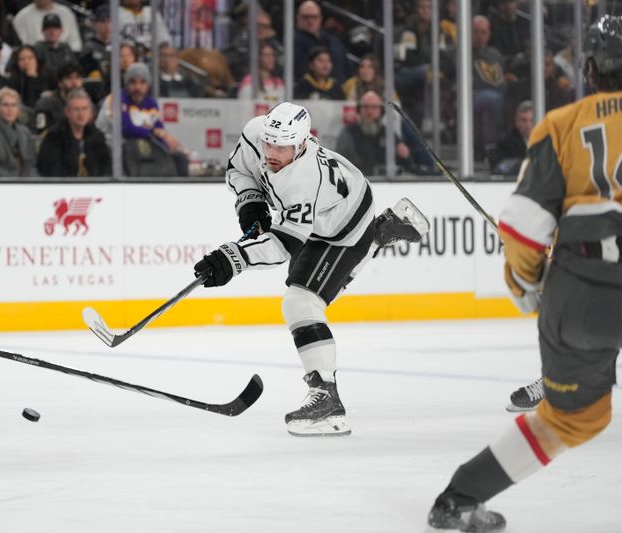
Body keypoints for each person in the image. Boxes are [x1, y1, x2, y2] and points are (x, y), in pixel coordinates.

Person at [426, 16, 622, 532]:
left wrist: (527, 285)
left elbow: (525, 226)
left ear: (588, 68)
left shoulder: (561, 124)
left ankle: (459, 498)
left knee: (572, 418)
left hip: (583, 291)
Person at [194, 102, 428, 437]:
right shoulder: (255, 133)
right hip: (325, 213)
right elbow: (238, 169)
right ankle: (384, 232)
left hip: (344, 223)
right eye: (269, 143)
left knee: (302, 303)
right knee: (303, 297)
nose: (272, 152)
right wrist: (250, 201)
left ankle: (327, 396)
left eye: (283, 147)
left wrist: (233, 259)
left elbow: (284, 244)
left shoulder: (303, 180)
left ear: (302, 144)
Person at [334, 91, 412, 175]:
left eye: (374, 107)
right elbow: (340, 164)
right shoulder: (348, 133)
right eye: (366, 107)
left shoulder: (389, 133)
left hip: (386, 184)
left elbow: (407, 166)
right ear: (359, 110)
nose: (369, 111)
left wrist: (405, 156)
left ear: (381, 111)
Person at [37, 89, 110, 177]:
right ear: (67, 112)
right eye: (76, 109)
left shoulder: (97, 137)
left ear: (91, 112)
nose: (81, 114)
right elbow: (50, 171)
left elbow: (106, 168)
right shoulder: (54, 137)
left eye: (84, 109)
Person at [472, 15, 508, 161]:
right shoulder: (461, 52)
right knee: (492, 100)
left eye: (484, 32)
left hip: (499, 92)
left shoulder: (495, 53)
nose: (480, 36)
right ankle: (490, 148)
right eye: (476, 32)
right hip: (474, 95)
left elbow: (501, 75)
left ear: (489, 34)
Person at [293, 1, 349, 84]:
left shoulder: (333, 41)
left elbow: (347, 66)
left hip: (337, 90)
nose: (310, 20)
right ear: (297, 18)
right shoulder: (291, 41)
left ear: (320, 18)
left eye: (314, 17)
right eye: (306, 17)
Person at [33, 62, 84, 135]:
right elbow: (41, 134)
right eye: (69, 78)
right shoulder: (45, 104)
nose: (74, 83)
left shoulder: (87, 103)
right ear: (60, 83)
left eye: (77, 78)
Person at [13, 0, 82, 52]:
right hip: (36, 62)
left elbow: (76, 44)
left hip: (65, 61)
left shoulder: (67, 14)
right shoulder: (21, 18)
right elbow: (22, 49)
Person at [487, 99, 533, 176]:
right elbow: (499, 169)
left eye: (532, 120)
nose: (528, 125)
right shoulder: (505, 144)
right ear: (516, 121)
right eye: (524, 120)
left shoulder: (547, 143)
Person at [7, 45, 56, 109]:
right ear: (17, 63)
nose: (26, 61)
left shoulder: (48, 76)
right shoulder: (13, 81)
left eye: (30, 58)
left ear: (36, 59)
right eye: (22, 59)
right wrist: (30, 76)